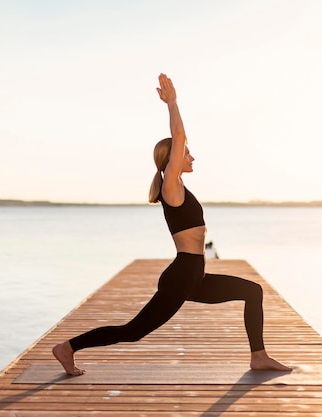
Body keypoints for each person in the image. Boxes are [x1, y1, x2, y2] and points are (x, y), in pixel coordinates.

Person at [52, 73, 291, 376]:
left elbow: (180, 143)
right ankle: (67, 347)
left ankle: (258, 356)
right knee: (134, 331)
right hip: (181, 277)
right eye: (186, 153)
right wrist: (173, 103)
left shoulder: (178, 188)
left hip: (194, 276)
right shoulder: (171, 187)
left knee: (252, 291)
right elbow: (179, 137)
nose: (191, 155)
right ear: (172, 159)